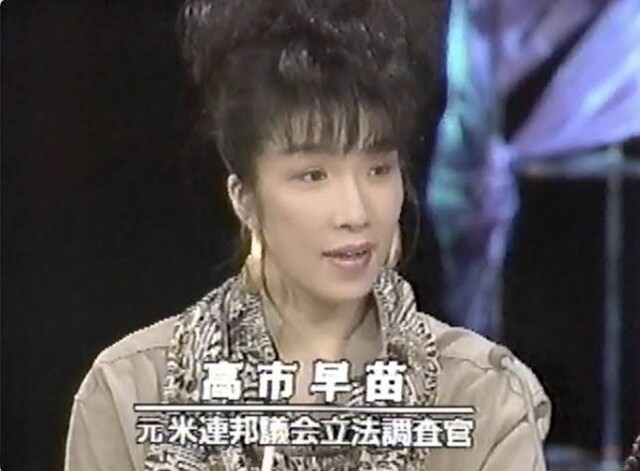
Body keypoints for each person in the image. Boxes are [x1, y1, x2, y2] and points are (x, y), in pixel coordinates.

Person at [64, 0, 552, 469]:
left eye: (378, 170)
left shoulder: (483, 397)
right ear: (244, 198)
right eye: (313, 175)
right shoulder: (130, 392)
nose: (355, 212)